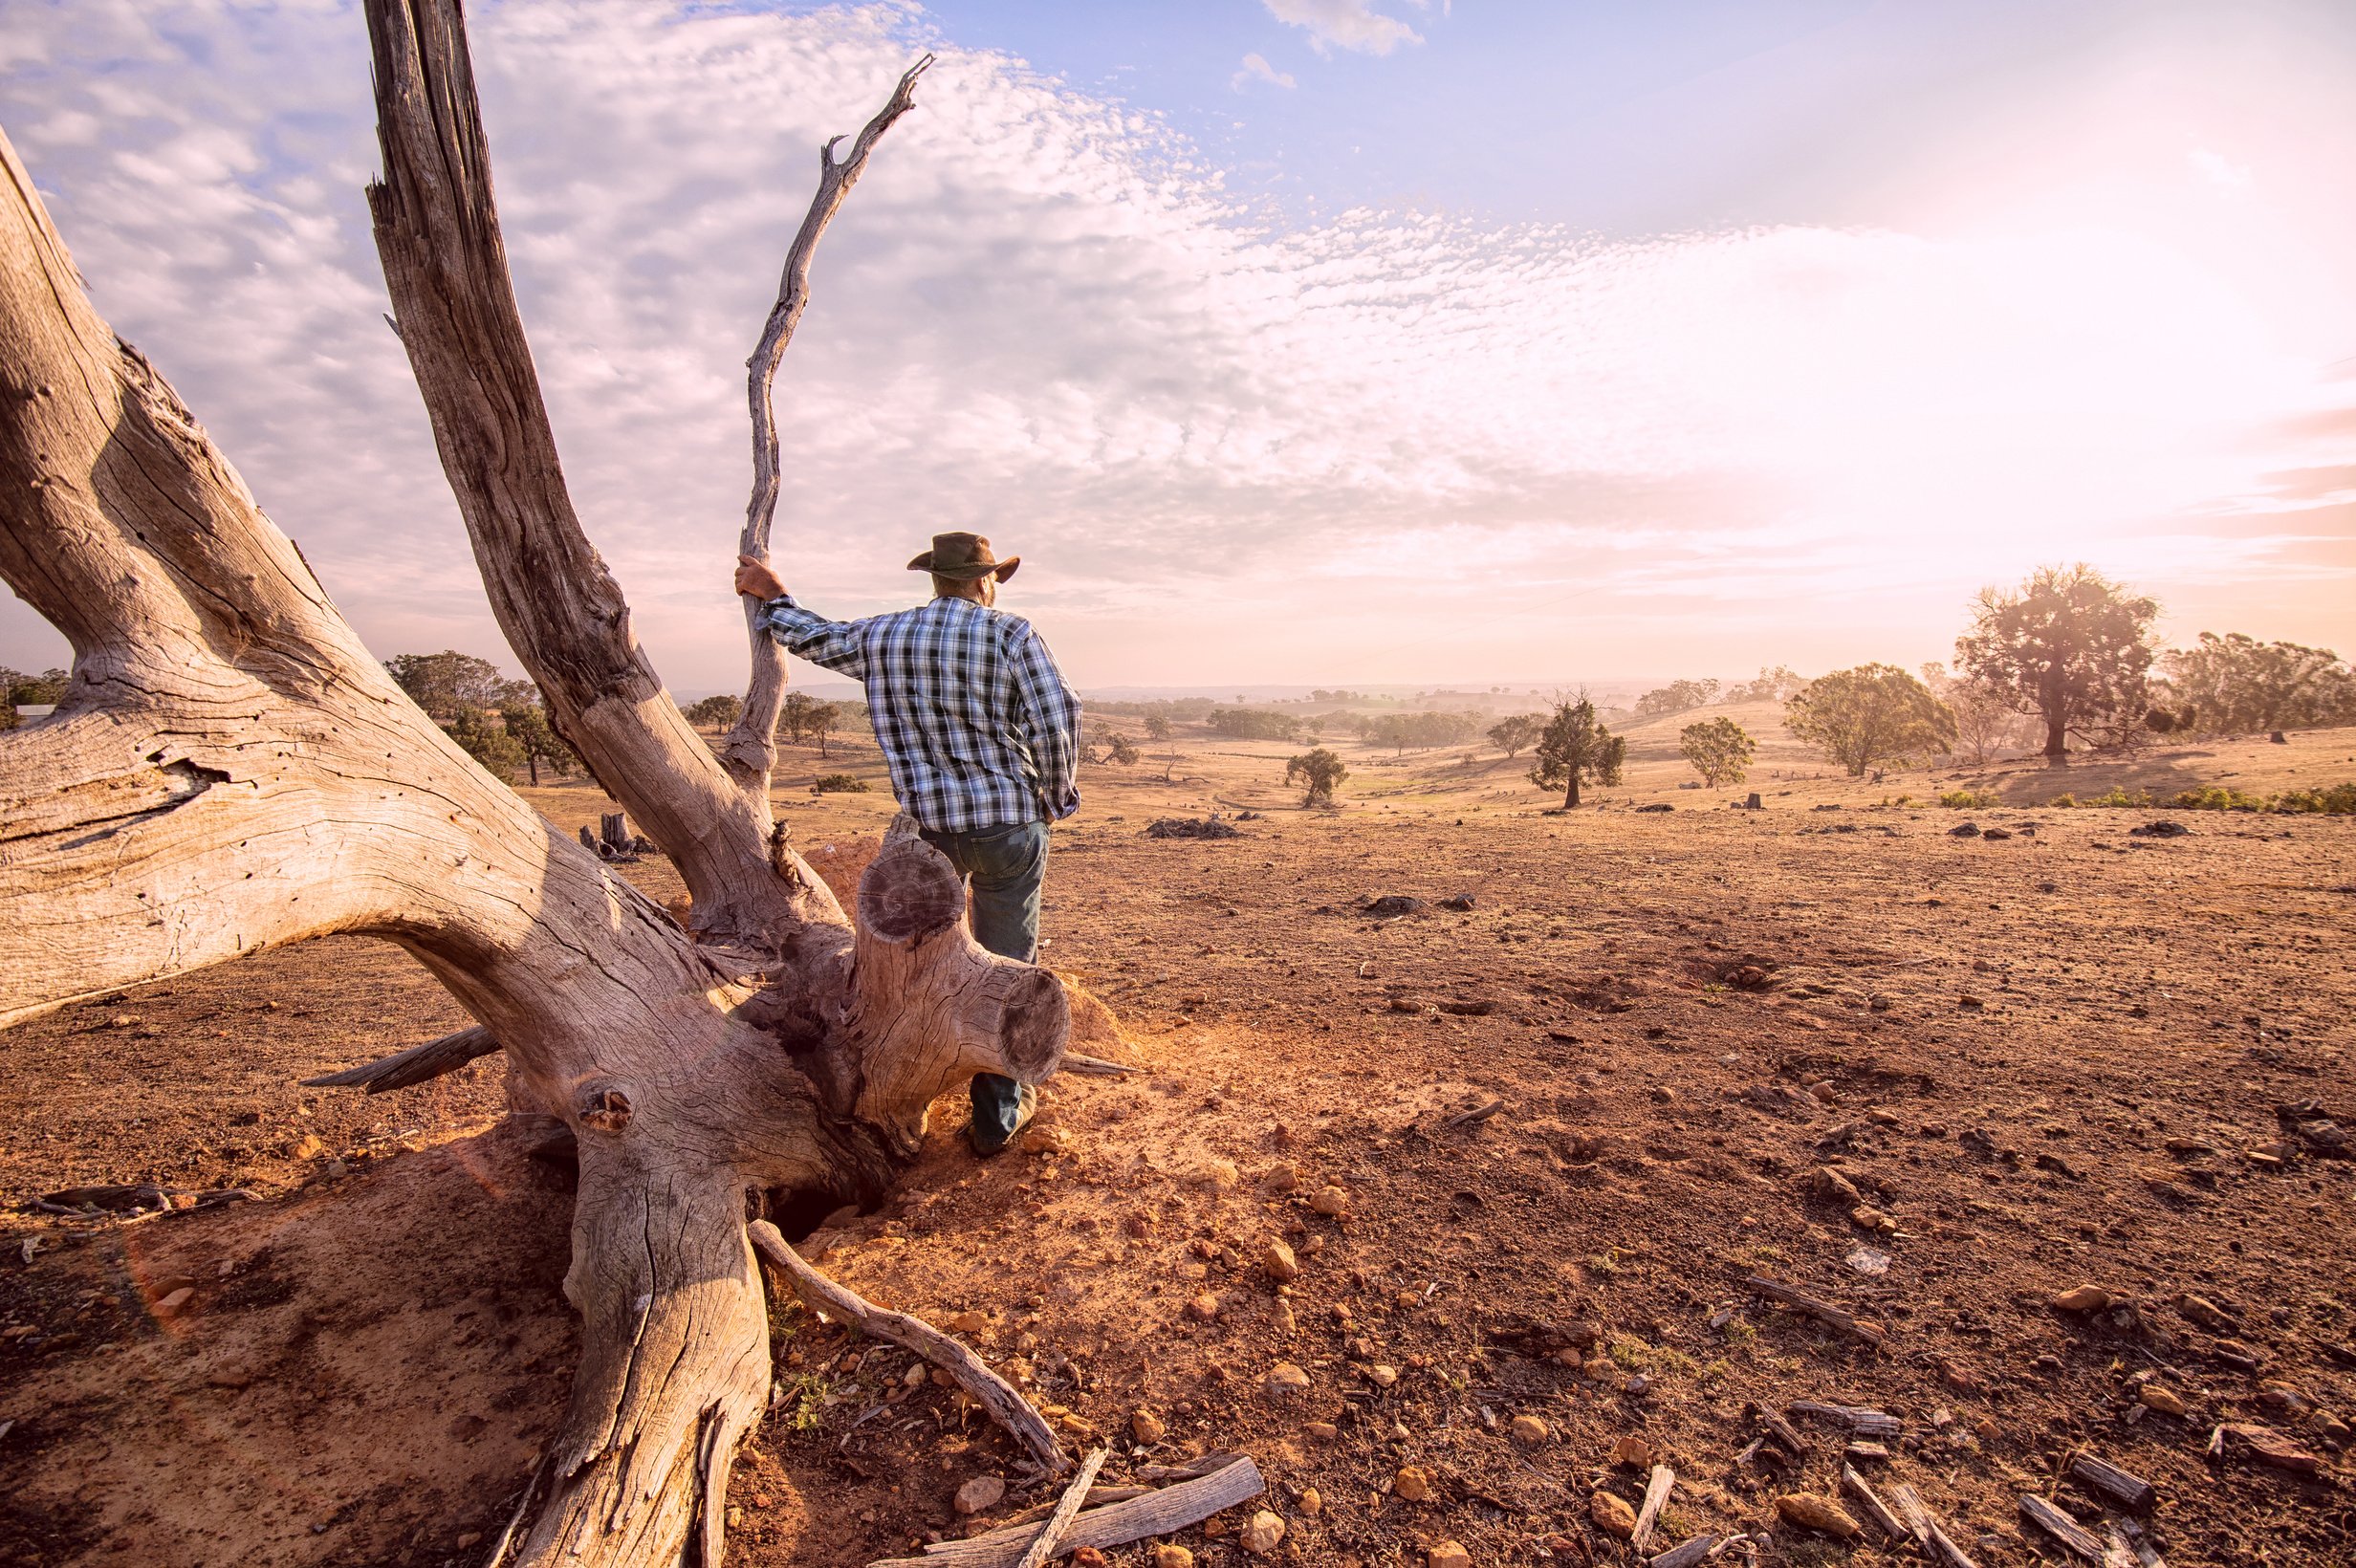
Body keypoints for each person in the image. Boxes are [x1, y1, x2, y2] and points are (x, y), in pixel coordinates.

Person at [733, 532, 1080, 1154]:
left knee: (926, 964)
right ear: (983, 581)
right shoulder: (1011, 635)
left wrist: (773, 595)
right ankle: (999, 1114)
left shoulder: (885, 635)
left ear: (937, 579)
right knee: (1008, 960)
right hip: (1008, 829)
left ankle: (903, 1085)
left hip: (929, 839)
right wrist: (1054, 799)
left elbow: (812, 637)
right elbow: (1059, 720)